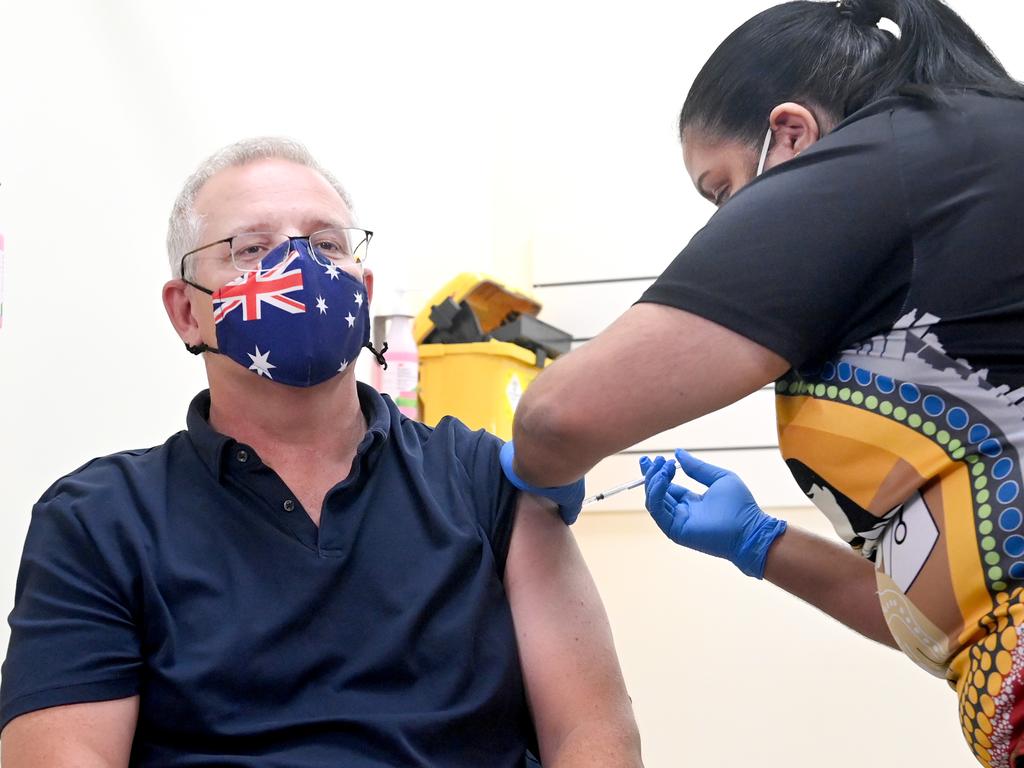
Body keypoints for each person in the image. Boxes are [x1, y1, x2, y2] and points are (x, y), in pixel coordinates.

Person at [0, 138, 642, 767]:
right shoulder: (98, 521)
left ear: (361, 290)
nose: (301, 271)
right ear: (186, 313)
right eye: (252, 248)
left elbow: (592, 732)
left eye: (327, 245)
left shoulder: (483, 480)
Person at [501, 1, 1024, 766]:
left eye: (721, 191)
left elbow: (558, 419)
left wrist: (536, 466)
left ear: (790, 134)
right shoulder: (957, 172)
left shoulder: (895, 155)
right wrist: (761, 542)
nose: (724, 224)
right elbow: (945, 617)